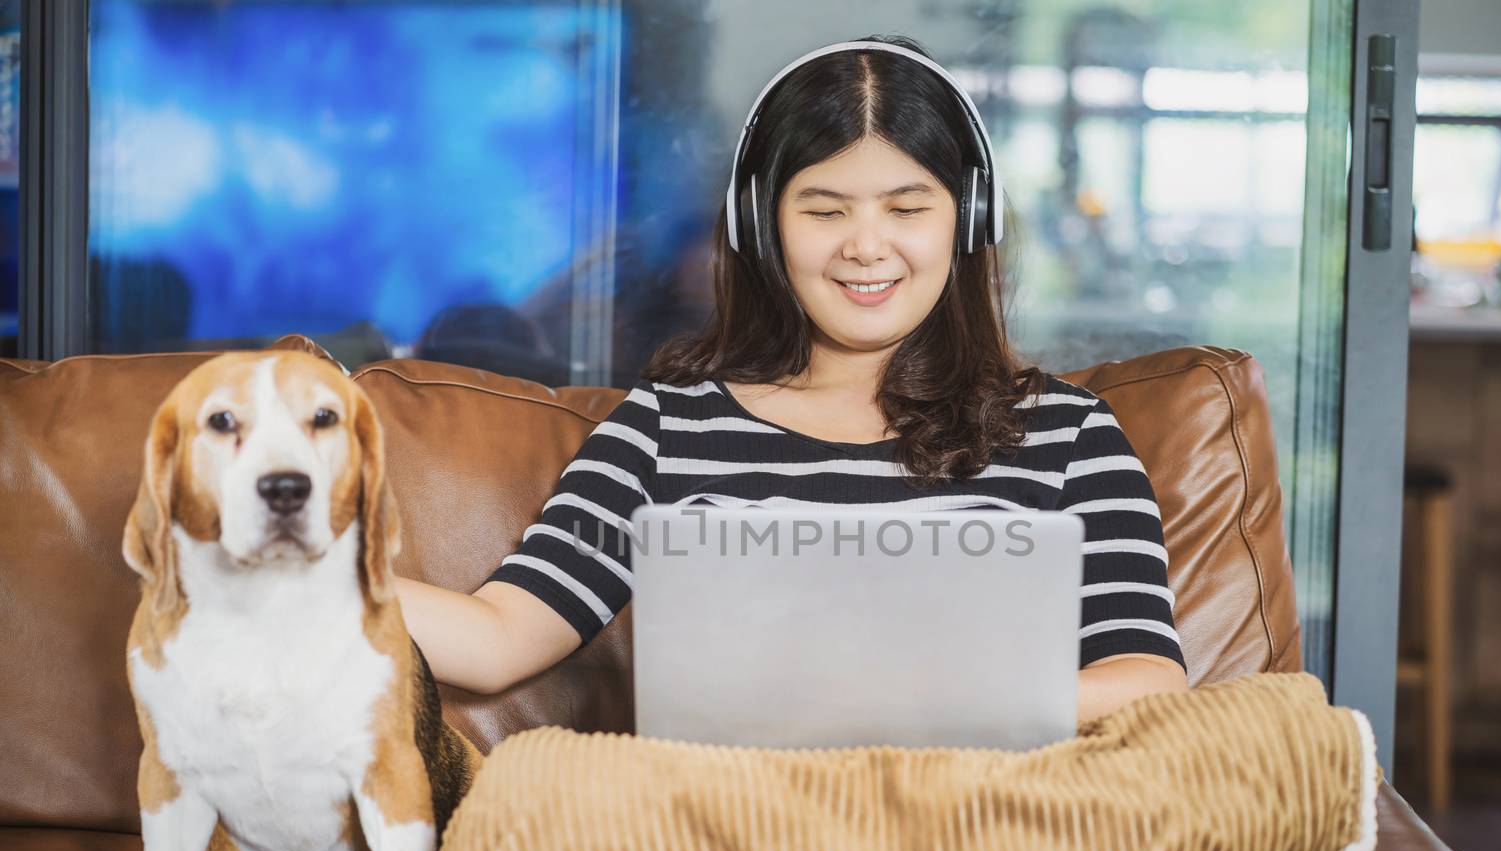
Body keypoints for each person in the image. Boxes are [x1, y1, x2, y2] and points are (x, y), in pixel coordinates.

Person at [396, 36, 1188, 726]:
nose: (867, 247)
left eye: (907, 208)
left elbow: (1146, 677)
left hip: (973, 816)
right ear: (760, 224)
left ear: (969, 218)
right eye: (824, 210)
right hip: (742, 824)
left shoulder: (1067, 435)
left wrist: (929, 701)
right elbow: (500, 635)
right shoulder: (667, 429)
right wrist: (290, 592)